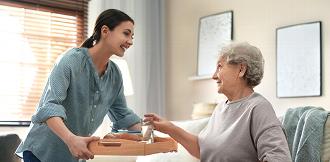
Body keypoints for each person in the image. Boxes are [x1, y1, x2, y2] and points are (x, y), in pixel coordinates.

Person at [16, 9, 142, 162]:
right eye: (126, 33)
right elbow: (49, 107)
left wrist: (153, 131)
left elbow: (123, 115)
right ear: (105, 31)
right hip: (41, 152)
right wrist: (71, 140)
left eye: (132, 36)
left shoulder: (115, 74)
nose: (130, 41)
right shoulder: (71, 60)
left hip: (72, 156)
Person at [144, 42, 292, 162]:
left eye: (220, 66)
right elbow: (204, 150)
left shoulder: (258, 108)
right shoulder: (221, 108)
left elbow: (279, 158)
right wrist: (170, 128)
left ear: (241, 69)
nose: (214, 75)